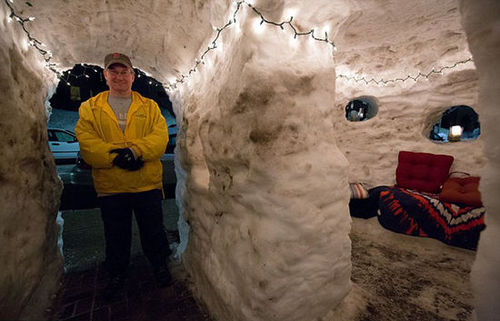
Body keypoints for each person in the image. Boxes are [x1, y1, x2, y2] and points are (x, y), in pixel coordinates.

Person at [75, 52, 172, 301]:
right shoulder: (90, 108)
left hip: (146, 184)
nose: (119, 76)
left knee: (153, 232)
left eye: (124, 72)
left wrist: (136, 152)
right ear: (105, 75)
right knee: (116, 236)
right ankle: (117, 273)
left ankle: (160, 266)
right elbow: (86, 141)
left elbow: (160, 137)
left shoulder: (149, 107)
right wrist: (115, 157)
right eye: (114, 72)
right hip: (111, 187)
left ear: (133, 75)